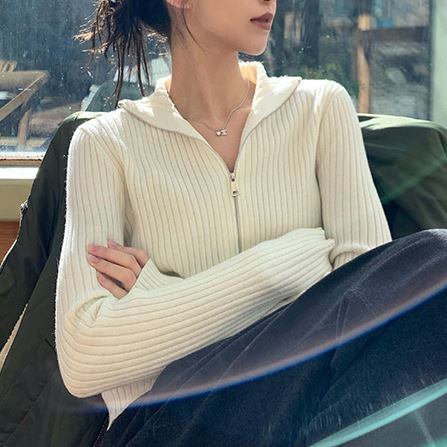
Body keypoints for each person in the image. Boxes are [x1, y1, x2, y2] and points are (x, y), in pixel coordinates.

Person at [55, 0, 447, 445]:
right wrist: (285, 265)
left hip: (303, 413)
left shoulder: (319, 109)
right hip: (167, 425)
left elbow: (372, 308)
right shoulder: (105, 143)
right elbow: (83, 357)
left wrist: (158, 295)